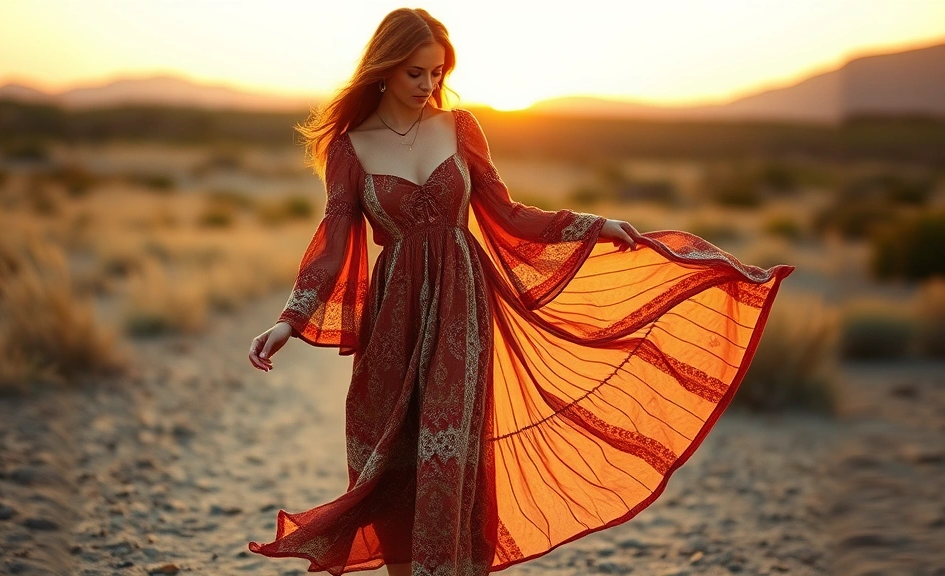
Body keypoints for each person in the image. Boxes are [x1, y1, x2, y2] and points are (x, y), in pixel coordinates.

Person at [247, 8, 793, 576]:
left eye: (437, 72)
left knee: (448, 452)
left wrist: (589, 225)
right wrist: (289, 320)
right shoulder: (350, 148)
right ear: (383, 69)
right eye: (416, 73)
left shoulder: (459, 129)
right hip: (393, 320)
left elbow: (507, 213)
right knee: (391, 460)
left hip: (463, 305)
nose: (429, 85)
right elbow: (332, 247)